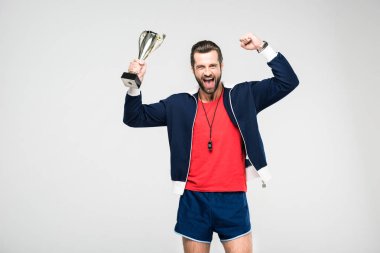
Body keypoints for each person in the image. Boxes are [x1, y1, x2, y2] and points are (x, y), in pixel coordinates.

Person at [123, 32, 299, 253]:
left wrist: (262, 47)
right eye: (201, 67)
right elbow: (134, 117)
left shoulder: (243, 96)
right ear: (193, 70)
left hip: (233, 199)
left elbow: (288, 81)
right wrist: (134, 84)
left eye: (212, 66)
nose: (207, 72)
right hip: (193, 200)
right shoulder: (179, 104)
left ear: (221, 66)